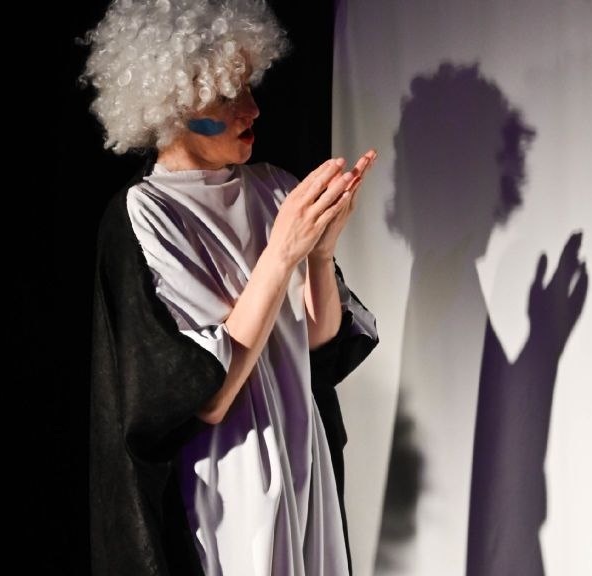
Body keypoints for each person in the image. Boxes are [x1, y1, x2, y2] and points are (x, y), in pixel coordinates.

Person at [78, 1, 379, 574]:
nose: (252, 108)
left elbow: (318, 345)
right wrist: (282, 251)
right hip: (229, 486)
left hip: (303, 460)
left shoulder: (276, 188)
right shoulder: (147, 214)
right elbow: (209, 398)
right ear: (172, 106)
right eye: (226, 95)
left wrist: (319, 255)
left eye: (248, 85)